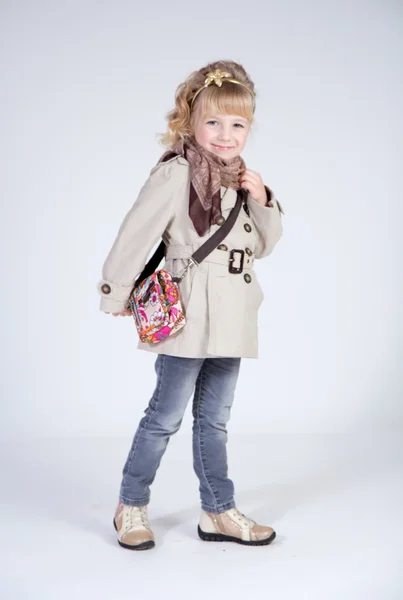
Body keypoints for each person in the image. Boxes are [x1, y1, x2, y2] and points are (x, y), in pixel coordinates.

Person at [97, 60, 284, 551]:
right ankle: (130, 504)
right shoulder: (177, 172)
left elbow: (263, 246)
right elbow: (135, 232)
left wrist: (262, 197)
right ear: (190, 122)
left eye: (238, 124)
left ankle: (217, 511)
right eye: (214, 122)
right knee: (165, 416)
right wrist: (116, 291)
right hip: (189, 310)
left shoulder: (241, 178)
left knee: (215, 420)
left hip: (234, 314)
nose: (226, 135)